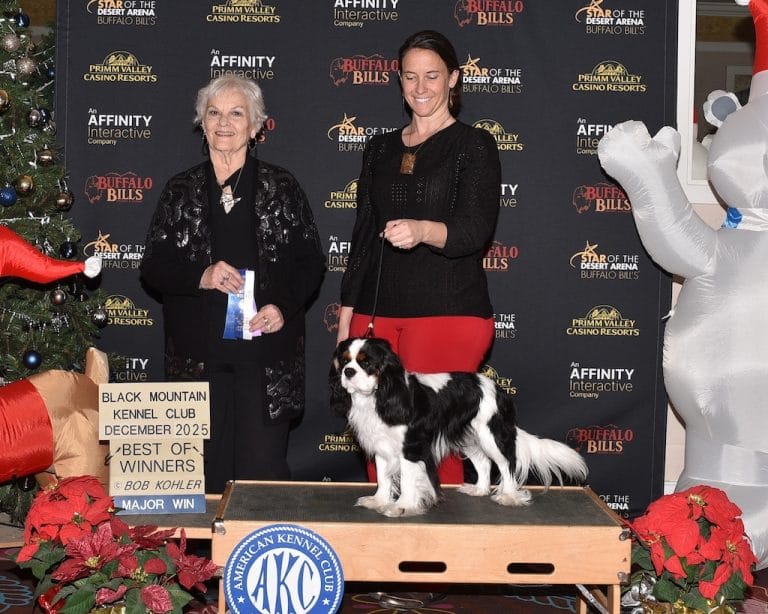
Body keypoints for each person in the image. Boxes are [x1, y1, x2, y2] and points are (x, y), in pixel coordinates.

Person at [141, 75, 325, 494]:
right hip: (197, 358)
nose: (224, 123)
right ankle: (204, 561)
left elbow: (311, 261)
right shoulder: (179, 190)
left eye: (236, 113)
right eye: (214, 112)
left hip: (265, 357)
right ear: (201, 123)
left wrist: (283, 307)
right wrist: (200, 276)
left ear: (257, 125)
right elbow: (152, 266)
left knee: (262, 476)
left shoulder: (282, 187)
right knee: (203, 477)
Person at [337, 30, 501, 487]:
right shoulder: (379, 149)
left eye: (432, 75)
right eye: (411, 76)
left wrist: (423, 230)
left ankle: (441, 549)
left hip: (448, 313)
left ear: (454, 78)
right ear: (399, 80)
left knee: (435, 440)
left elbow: (475, 230)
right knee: (377, 434)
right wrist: (348, 314)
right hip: (377, 313)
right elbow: (364, 236)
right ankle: (385, 540)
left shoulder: (475, 145)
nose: (421, 87)